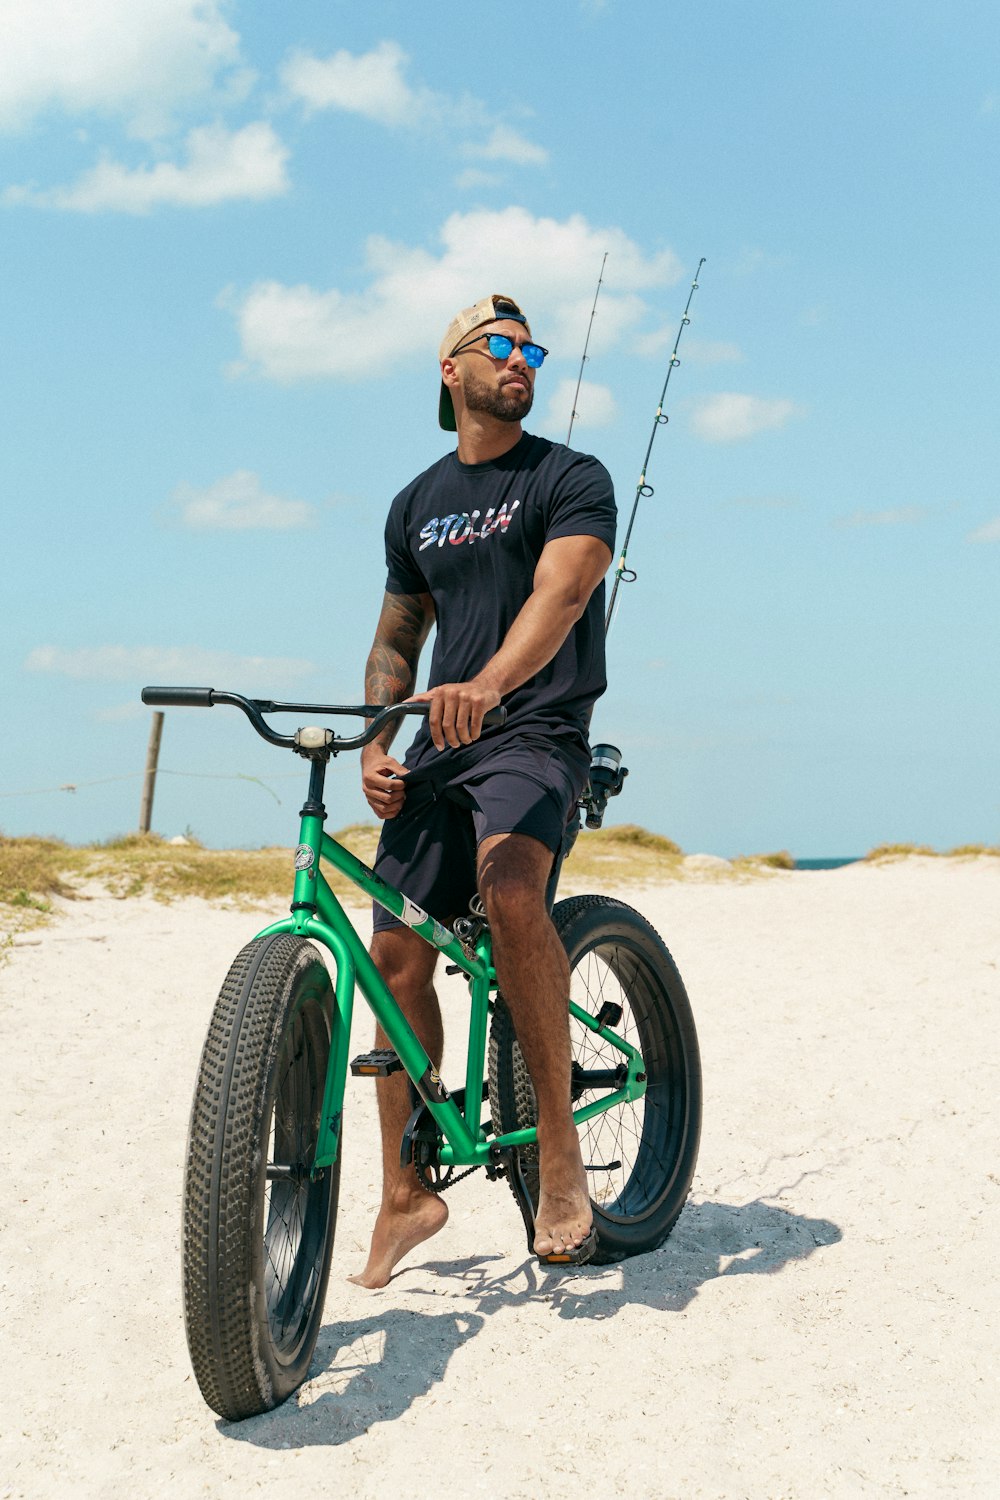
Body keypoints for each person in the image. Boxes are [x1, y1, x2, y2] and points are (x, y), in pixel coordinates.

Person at [349, 293, 616, 1288]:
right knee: (392, 955)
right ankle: (405, 1190)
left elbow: (564, 594)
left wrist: (492, 685)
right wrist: (380, 737)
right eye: (498, 346)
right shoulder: (413, 502)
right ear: (449, 371)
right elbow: (393, 637)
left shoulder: (568, 476)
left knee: (509, 894)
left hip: (534, 730)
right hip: (438, 746)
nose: (521, 360)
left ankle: (555, 1156)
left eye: (530, 349)